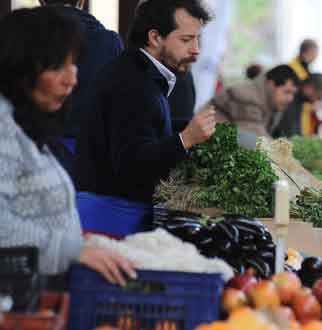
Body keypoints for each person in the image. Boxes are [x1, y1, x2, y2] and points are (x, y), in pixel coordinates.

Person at [0, 6, 135, 286]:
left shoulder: (26, 128)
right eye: (57, 66)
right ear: (21, 68)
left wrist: (77, 240)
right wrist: (72, 250)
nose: (72, 79)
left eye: (74, 64)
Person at [75, 0, 215, 236]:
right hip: (110, 217)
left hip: (117, 211)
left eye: (197, 39)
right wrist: (185, 139)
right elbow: (132, 164)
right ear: (155, 38)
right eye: (186, 39)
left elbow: (146, 127)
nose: (196, 49)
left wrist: (191, 129)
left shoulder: (140, 73)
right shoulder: (131, 83)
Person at [38, 0, 124, 177]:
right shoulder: (108, 42)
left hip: (34, 151)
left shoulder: (20, 37)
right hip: (92, 161)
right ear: (82, 1)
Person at [209, 64, 299, 138]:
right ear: (271, 84)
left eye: (293, 94)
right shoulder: (247, 97)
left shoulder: (271, 103)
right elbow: (254, 140)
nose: (290, 98)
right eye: (287, 92)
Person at [273, 73, 322, 137]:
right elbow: (290, 131)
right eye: (318, 96)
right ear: (309, 88)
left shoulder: (304, 101)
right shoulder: (291, 98)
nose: (318, 100)